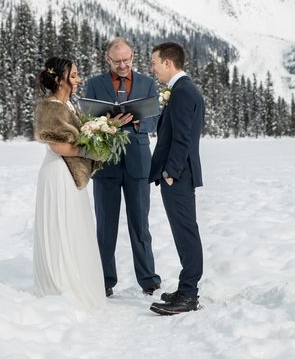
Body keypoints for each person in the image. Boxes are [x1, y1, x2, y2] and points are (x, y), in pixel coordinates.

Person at [84, 38, 161, 297]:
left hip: (138, 162)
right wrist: (107, 124)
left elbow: (155, 120)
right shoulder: (94, 84)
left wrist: (138, 123)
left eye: (126, 60)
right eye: (117, 61)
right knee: (105, 225)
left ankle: (148, 279)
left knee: (140, 224)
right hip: (106, 162)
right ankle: (104, 280)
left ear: (133, 56)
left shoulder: (147, 83)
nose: (122, 65)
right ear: (108, 59)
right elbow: (86, 121)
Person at [33, 56, 106, 309]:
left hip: (70, 174)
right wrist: (91, 152)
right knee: (60, 226)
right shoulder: (50, 106)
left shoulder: (70, 105)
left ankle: (75, 278)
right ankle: (61, 283)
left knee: (74, 226)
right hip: (57, 173)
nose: (78, 79)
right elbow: (57, 145)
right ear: (59, 79)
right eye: (73, 75)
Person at [148, 42, 205, 315]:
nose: (153, 69)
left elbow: (182, 138)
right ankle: (185, 288)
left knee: (186, 233)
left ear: (168, 63)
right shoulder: (183, 89)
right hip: (179, 174)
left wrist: (171, 173)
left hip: (178, 176)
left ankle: (189, 294)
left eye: (155, 63)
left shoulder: (182, 92)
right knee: (183, 232)